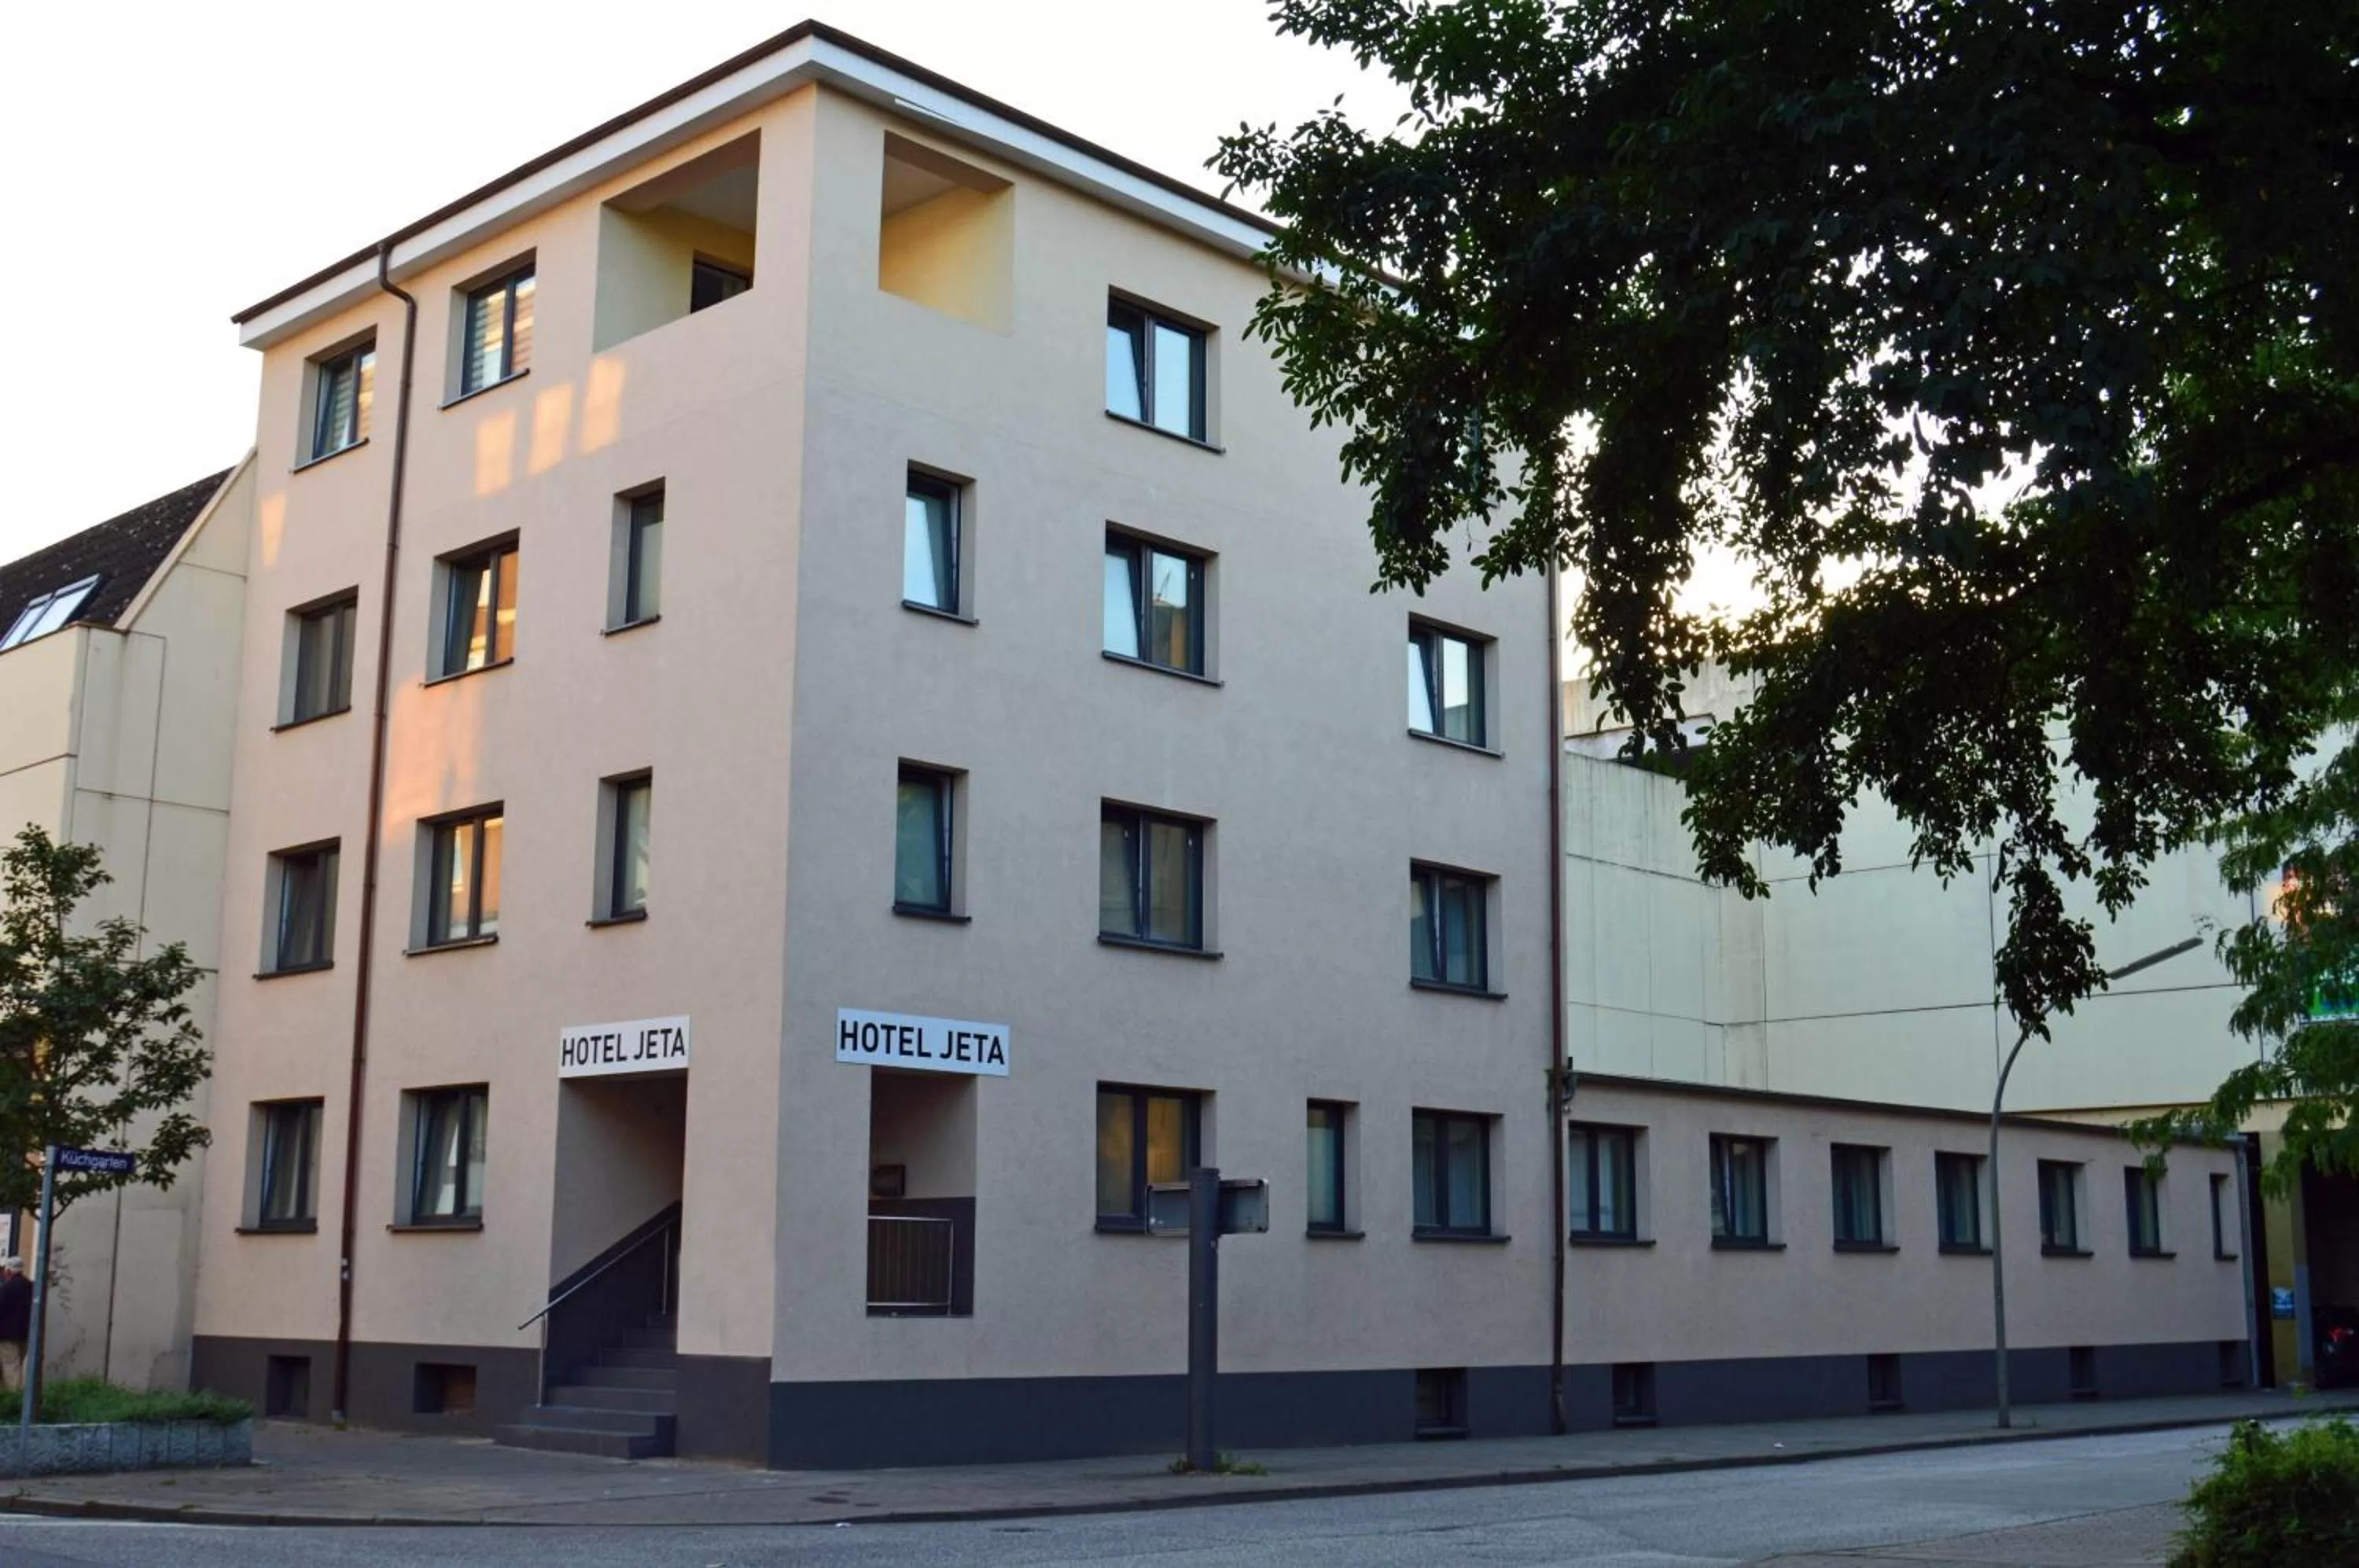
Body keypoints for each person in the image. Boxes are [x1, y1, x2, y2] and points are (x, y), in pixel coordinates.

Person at [0, 1258, 30, 1395]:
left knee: (11, 1365)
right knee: (22, 1363)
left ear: (9, 1271)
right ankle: (22, 1395)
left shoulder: (6, 1288)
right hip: (25, 1334)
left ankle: (15, 1398)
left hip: (6, 1335)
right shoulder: (30, 1286)